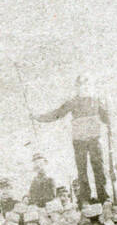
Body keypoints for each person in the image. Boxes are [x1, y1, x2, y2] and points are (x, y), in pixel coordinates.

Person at [33, 75, 110, 205]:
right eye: (80, 86)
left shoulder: (97, 101)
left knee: (99, 167)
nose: (83, 88)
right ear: (77, 88)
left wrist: (108, 112)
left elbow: (106, 119)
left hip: (94, 139)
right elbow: (57, 113)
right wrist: (39, 117)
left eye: (86, 86)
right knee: (82, 169)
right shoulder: (73, 102)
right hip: (79, 140)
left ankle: (104, 197)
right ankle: (85, 197)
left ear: (91, 87)